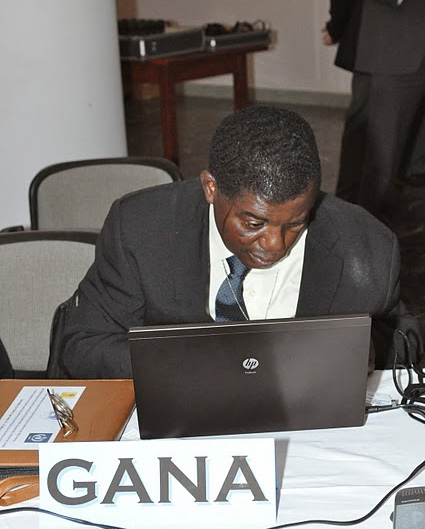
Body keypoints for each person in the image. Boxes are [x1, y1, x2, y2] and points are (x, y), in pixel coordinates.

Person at [61, 105, 421, 378]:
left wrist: (368, 351)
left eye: (296, 223)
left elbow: (404, 343)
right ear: (211, 188)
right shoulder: (142, 228)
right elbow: (82, 345)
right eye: (253, 223)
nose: (275, 244)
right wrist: (200, 364)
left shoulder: (365, 246)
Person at [322, 0, 425, 218]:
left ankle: (348, 223)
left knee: (367, 146)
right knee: (380, 151)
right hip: (398, 43)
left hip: (392, 44)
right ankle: (362, 229)